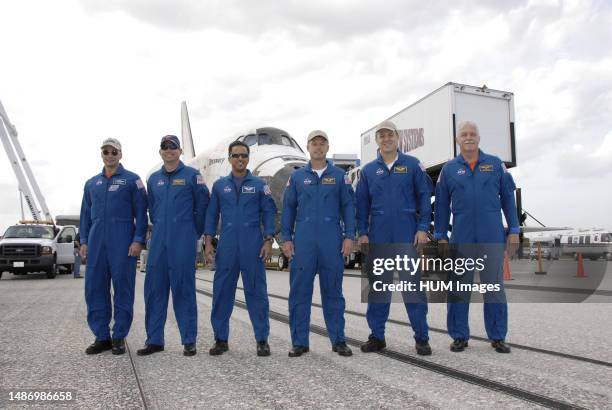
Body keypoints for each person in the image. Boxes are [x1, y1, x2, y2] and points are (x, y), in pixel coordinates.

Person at [434, 120, 520, 354]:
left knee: (493, 287)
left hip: (491, 236)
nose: (469, 137)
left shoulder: (495, 165)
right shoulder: (449, 169)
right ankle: (459, 336)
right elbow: (441, 206)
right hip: (461, 237)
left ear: (479, 138)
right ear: (457, 140)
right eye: (464, 134)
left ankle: (497, 336)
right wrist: (441, 235)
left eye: (473, 133)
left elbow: (508, 200)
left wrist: (514, 230)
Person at [356, 120, 433, 356]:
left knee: (413, 287)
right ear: (377, 140)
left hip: (406, 234)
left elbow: (424, 197)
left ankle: (421, 338)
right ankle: (377, 336)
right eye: (381, 135)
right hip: (379, 236)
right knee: (378, 288)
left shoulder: (412, 165)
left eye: (390, 135)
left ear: (397, 138)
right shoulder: (368, 171)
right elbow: (361, 205)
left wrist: (422, 228)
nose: (386, 139)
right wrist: (363, 233)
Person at [281, 130, 355, 357]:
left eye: (323, 143)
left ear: (327, 147)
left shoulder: (340, 176)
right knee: (299, 293)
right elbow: (289, 209)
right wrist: (286, 238)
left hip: (331, 241)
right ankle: (299, 342)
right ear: (308, 147)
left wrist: (349, 236)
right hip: (303, 242)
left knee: (333, 292)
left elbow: (348, 207)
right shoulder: (296, 177)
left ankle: (338, 340)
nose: (319, 147)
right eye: (315, 143)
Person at [137, 135, 209, 357]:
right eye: (164, 147)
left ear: (180, 151)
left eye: (173, 147)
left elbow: (203, 208)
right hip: (158, 240)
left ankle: (189, 340)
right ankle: (154, 340)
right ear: (160, 152)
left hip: (183, 239)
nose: (169, 151)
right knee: (154, 291)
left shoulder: (192, 176)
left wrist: (192, 233)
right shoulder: (153, 179)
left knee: (183, 290)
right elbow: (152, 209)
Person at [204, 140, 277, 357]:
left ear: (248, 158)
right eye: (236, 156)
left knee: (257, 293)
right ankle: (220, 339)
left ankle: (262, 339)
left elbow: (269, 213)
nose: (240, 159)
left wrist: (268, 240)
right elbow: (211, 215)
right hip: (227, 244)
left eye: (244, 155)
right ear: (229, 159)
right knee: (222, 293)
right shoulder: (219, 186)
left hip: (252, 244)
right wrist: (208, 243)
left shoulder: (259, 185)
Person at [79, 138, 148, 355]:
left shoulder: (132, 180)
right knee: (95, 288)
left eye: (114, 151)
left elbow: (141, 213)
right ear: (102, 154)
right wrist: (83, 241)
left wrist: (138, 239)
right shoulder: (92, 183)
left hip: (123, 242)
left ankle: (119, 336)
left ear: (120, 154)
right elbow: (84, 216)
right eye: (106, 151)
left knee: (123, 288)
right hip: (97, 242)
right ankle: (101, 337)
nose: (110, 155)